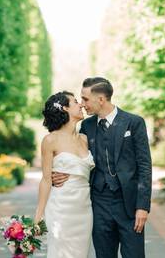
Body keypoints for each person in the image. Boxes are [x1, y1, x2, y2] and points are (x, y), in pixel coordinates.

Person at [52, 77, 152, 258]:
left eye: (85, 99)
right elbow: (75, 156)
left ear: (101, 99)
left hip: (128, 204)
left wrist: (143, 207)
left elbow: (145, 166)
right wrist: (61, 173)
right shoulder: (86, 126)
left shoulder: (134, 122)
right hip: (98, 203)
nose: (82, 104)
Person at [35, 91, 95, 258]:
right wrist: (38, 217)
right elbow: (46, 180)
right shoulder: (50, 140)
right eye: (76, 102)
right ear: (64, 109)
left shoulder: (84, 138)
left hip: (84, 209)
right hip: (60, 208)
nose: (81, 104)